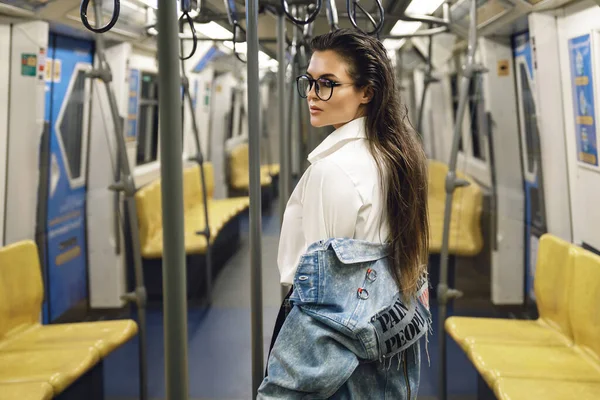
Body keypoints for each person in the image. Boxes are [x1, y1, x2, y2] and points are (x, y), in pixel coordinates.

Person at [258, 28, 430, 399]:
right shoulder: (392, 154)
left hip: (339, 354)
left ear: (367, 92)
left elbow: (325, 299)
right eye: (309, 81)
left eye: (328, 83)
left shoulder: (333, 171)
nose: (311, 94)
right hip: (382, 334)